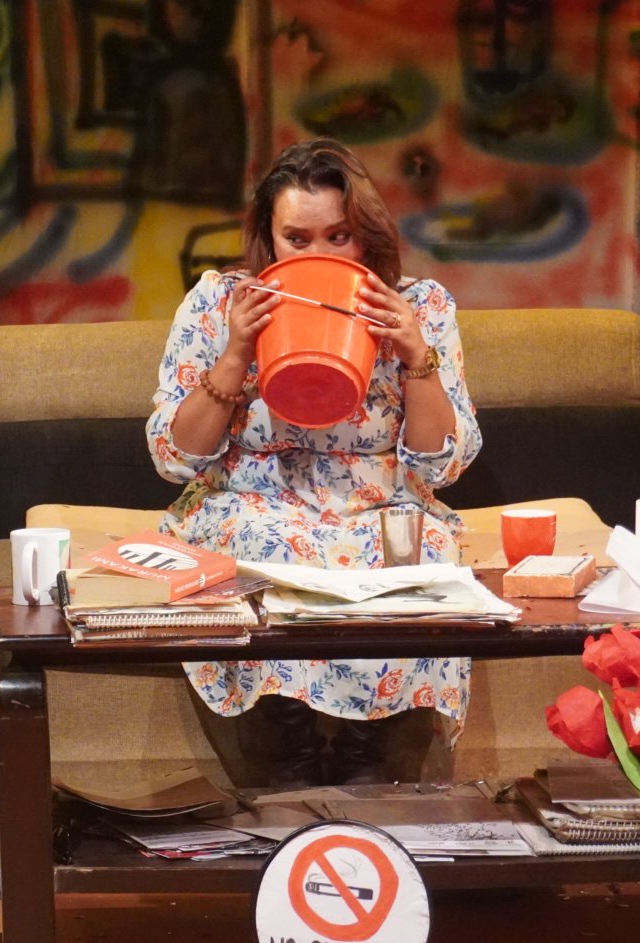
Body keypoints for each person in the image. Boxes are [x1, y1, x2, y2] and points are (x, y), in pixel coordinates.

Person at [146, 138, 481, 789]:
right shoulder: (220, 302)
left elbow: (441, 468)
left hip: (382, 502)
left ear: (366, 236)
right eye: (296, 240)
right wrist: (236, 354)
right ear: (268, 239)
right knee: (256, 551)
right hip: (253, 499)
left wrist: (416, 357)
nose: (316, 255)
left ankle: (373, 771)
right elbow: (174, 457)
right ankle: (283, 771)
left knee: (422, 560)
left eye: (338, 236)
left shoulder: (421, 307)